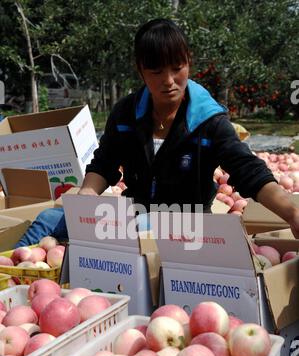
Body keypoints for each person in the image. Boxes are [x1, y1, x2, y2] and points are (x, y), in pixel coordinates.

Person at [15, 18, 299, 247]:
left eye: (177, 68)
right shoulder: (126, 114)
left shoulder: (209, 121)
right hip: (133, 215)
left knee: (137, 228)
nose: (169, 81)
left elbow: (249, 171)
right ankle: (11, 284)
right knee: (48, 220)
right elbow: (105, 162)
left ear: (188, 62)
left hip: (187, 225)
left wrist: (292, 212)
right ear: (140, 70)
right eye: (156, 72)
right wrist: (86, 194)